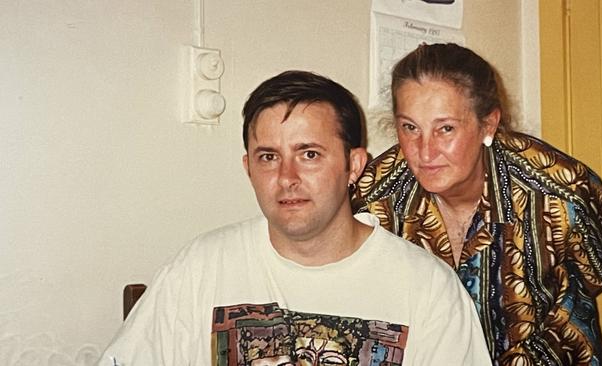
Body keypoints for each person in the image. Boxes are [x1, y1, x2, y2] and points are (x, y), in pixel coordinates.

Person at [97, 70, 490, 365]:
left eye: (309, 154)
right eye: (269, 157)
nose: (287, 178)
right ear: (248, 167)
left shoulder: (427, 289)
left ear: (354, 166)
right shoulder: (199, 269)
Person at [352, 43, 602, 365]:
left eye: (446, 129)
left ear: (488, 124)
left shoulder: (561, 190)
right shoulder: (375, 195)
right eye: (410, 128)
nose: (424, 152)